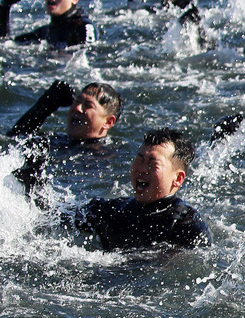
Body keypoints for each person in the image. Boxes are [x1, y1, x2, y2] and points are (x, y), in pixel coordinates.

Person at [60, 129, 212, 251]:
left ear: (178, 179)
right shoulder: (111, 211)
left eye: (153, 164)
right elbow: (52, 218)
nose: (141, 169)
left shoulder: (185, 225)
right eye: (139, 160)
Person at [8, 80, 123, 151]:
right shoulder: (55, 141)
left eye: (88, 105)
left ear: (108, 122)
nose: (77, 108)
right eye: (77, 101)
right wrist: (45, 105)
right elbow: (16, 139)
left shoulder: (107, 157)